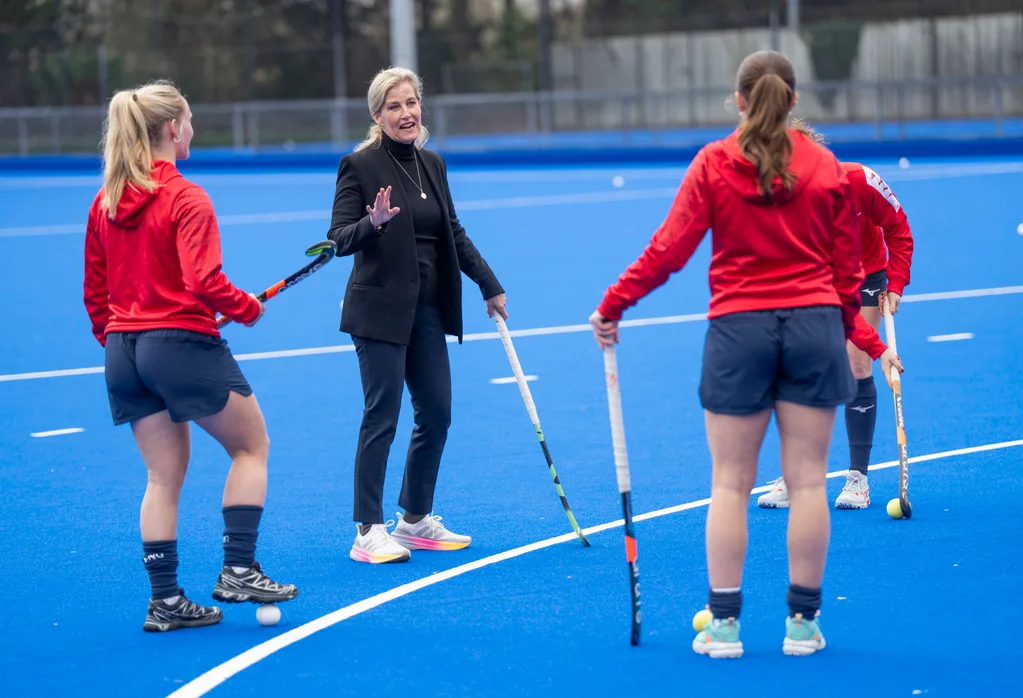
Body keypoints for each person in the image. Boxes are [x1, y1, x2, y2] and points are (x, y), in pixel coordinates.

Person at [589, 50, 904, 658]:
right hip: (814, 331)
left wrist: (612, 305)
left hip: (738, 334)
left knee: (730, 485)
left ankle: (726, 626)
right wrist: (869, 341)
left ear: (739, 100)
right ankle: (802, 625)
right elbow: (848, 280)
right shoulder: (826, 167)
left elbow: (668, 250)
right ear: (793, 102)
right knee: (810, 482)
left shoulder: (714, 162)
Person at [83, 80, 298, 632]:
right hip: (178, 346)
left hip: (123, 350)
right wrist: (246, 309)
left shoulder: (104, 201)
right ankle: (239, 569)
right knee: (252, 446)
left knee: (162, 476)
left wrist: (127, 335)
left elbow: (96, 293)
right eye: (190, 121)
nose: (193, 131)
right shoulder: (186, 197)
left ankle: (165, 601)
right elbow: (204, 281)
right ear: (172, 129)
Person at [326, 67, 507, 564]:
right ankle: (367, 529)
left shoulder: (433, 164)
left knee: (437, 413)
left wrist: (489, 284)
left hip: (426, 310)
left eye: (411, 104)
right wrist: (373, 223)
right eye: (394, 107)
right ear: (377, 115)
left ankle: (414, 519)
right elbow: (338, 238)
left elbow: (452, 230)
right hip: (379, 311)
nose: (405, 114)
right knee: (381, 416)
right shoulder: (359, 166)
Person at [758, 121, 915, 510]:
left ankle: (858, 478)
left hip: (866, 273)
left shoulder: (862, 180)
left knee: (855, 362)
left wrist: (895, 283)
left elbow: (898, 228)